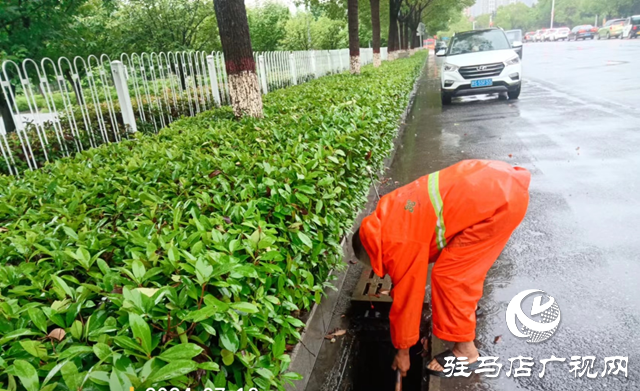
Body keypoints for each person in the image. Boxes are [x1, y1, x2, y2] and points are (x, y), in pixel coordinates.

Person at [351, 159, 530, 377]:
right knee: (463, 264)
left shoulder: (397, 244)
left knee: (452, 277)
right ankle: (466, 311)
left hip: (499, 203)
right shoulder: (387, 212)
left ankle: (467, 353)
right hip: (493, 181)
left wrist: (403, 351)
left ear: (372, 254)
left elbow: (408, 299)